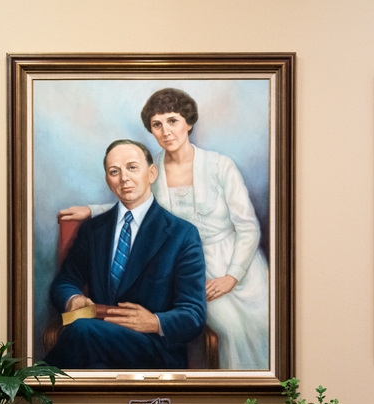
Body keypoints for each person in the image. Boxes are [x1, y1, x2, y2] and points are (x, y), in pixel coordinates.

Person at [59, 88, 270, 370]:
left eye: (172, 121)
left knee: (253, 328)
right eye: (157, 124)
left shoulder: (220, 166)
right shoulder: (151, 166)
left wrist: (232, 276)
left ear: (189, 122)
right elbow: (134, 202)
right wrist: (92, 210)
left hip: (235, 263)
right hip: (194, 269)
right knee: (227, 327)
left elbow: (248, 227)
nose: (166, 132)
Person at [45, 139, 206, 370]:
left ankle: (29, 383)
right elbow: (65, 281)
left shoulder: (182, 234)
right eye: (114, 171)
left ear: (152, 173)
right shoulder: (93, 230)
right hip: (97, 342)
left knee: (81, 330)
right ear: (107, 180)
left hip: (154, 349)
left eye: (132, 167)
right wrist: (73, 298)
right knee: (93, 365)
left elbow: (194, 314)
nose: (124, 178)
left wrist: (155, 321)